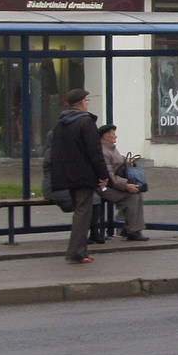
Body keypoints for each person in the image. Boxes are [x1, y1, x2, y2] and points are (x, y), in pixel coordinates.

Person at [49, 88, 108, 264]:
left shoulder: (62, 123)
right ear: (82, 102)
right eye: (87, 101)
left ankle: (80, 251)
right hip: (84, 175)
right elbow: (94, 152)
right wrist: (103, 174)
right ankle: (76, 253)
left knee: (79, 212)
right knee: (83, 213)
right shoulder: (85, 122)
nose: (87, 104)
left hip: (68, 174)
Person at [96, 124, 148, 242]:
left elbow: (118, 161)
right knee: (131, 197)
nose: (116, 137)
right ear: (105, 136)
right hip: (103, 187)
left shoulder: (111, 148)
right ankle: (132, 231)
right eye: (113, 134)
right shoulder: (103, 152)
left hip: (113, 185)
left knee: (138, 193)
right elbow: (109, 176)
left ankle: (128, 228)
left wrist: (128, 162)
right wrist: (126, 185)